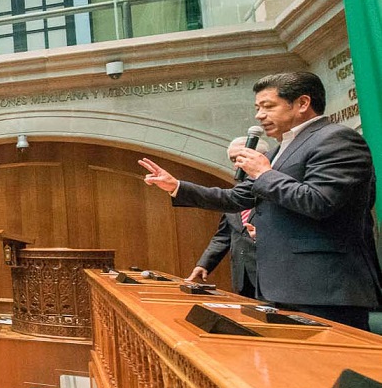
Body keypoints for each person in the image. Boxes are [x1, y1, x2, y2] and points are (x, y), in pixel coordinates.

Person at [140, 71, 382, 330]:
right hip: (283, 285)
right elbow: (237, 197)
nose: (259, 115)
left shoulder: (336, 139)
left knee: (328, 368)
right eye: (257, 108)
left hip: (324, 286)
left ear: (302, 103)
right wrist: (176, 186)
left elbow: (320, 202)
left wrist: (264, 173)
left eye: (268, 106)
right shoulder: (284, 147)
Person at [187, 137, 271, 297]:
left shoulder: (278, 187)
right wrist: (205, 264)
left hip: (272, 275)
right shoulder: (237, 193)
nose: (235, 165)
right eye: (233, 160)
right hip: (242, 276)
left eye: (238, 159)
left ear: (261, 156)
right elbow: (224, 235)